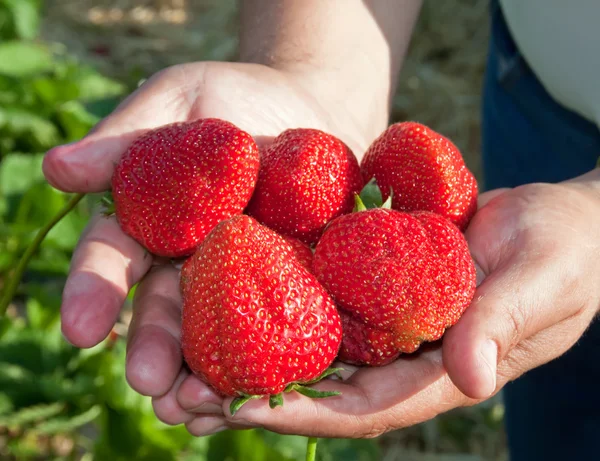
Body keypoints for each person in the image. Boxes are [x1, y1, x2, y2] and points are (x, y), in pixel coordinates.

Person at [42, 1, 600, 459]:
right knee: (558, 416)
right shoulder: (339, 239)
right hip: (534, 74)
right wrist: (312, 70)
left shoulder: (361, 250)